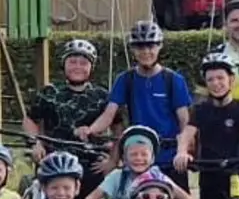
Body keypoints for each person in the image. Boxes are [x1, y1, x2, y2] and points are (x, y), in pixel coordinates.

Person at [82, 20, 193, 187]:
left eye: (151, 46)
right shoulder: (126, 80)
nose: (146, 51)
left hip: (169, 156)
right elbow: (109, 114)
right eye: (140, 47)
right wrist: (90, 130)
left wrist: (183, 150)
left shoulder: (173, 80)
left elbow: (185, 121)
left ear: (159, 46)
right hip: (138, 157)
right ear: (133, 49)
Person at [173, 53, 239, 199]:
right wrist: (182, 152)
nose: (216, 83)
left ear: (231, 79)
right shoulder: (201, 110)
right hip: (210, 170)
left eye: (220, 78)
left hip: (237, 167)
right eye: (210, 80)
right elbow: (187, 134)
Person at [25, 38, 113, 196]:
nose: (78, 67)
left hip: (90, 165)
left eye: (83, 63)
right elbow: (30, 119)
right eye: (72, 62)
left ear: (91, 67)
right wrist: (35, 143)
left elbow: (118, 127)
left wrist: (111, 161)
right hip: (54, 161)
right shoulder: (50, 92)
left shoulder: (102, 96)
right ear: (64, 64)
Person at [86, 126, 196, 199]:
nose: (139, 158)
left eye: (144, 154)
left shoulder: (158, 177)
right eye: (133, 154)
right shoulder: (118, 176)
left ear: (152, 158)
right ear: (124, 157)